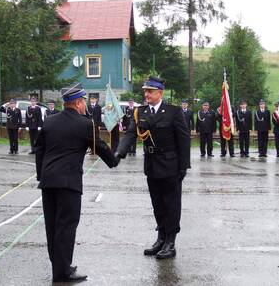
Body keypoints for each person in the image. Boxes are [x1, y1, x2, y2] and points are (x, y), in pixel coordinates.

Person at [35, 84, 117, 283]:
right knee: (66, 227)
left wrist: (41, 176)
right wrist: (115, 158)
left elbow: (40, 151)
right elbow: (102, 149)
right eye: (84, 102)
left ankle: (59, 267)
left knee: (52, 226)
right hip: (69, 183)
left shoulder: (50, 121)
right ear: (79, 103)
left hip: (48, 182)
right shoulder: (85, 124)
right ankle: (63, 273)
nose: (85, 106)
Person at [115, 76, 191, 260]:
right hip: (151, 164)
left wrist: (183, 167)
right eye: (145, 91)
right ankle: (161, 238)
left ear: (160, 93)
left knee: (171, 204)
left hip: (171, 164)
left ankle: (170, 242)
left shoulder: (173, 112)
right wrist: (118, 153)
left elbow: (184, 139)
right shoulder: (140, 112)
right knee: (157, 204)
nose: (146, 94)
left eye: (150, 91)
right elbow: (131, 133)